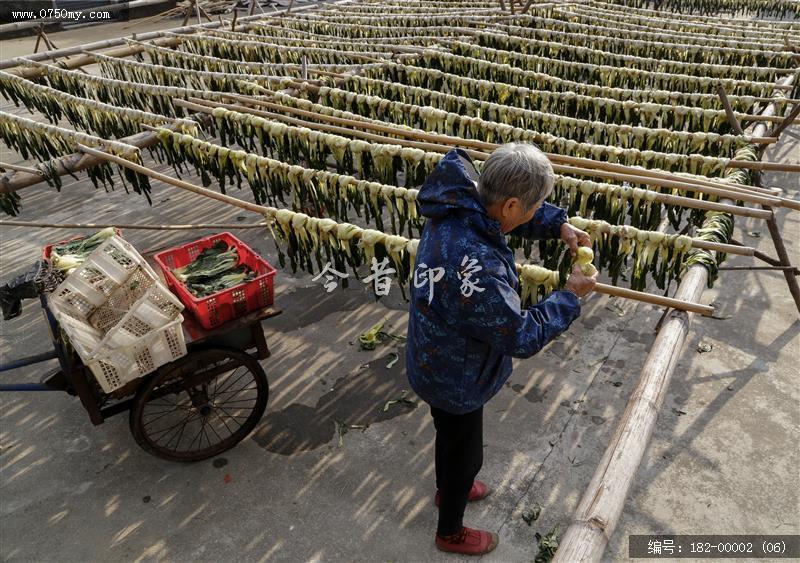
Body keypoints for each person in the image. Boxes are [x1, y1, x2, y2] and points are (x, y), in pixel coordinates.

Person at [406, 143, 596, 555]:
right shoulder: (477, 266)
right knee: (464, 454)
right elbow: (520, 336)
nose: (533, 212)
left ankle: (448, 485)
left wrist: (556, 225)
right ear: (511, 204)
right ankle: (450, 530)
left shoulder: (458, 199)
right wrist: (569, 297)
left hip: (433, 351)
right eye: (533, 207)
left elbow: (498, 220)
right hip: (455, 375)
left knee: (451, 437)